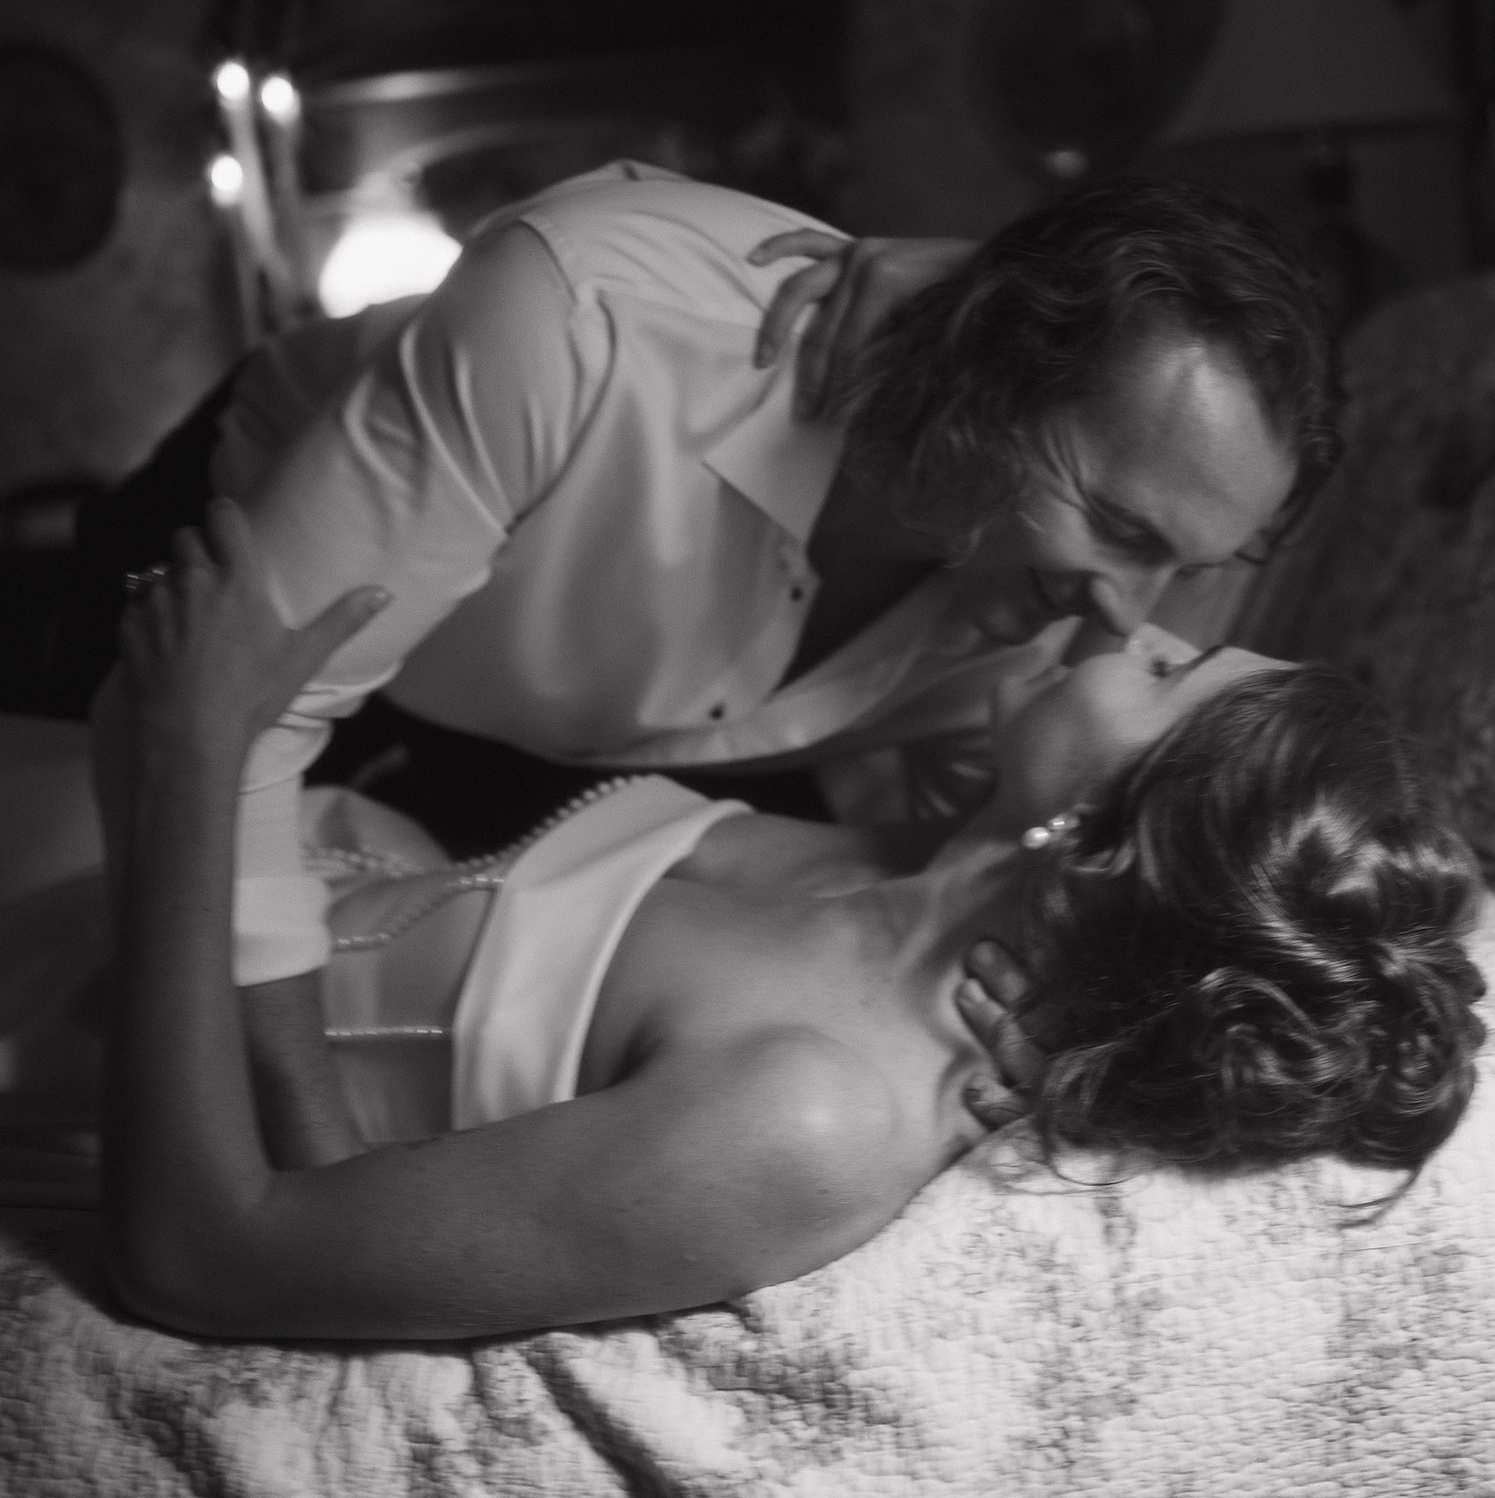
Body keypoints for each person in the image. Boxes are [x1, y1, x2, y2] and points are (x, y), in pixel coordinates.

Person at [76, 501, 1480, 1341]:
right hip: (241, 876)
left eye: (1172, 667)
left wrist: (198, 749)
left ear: (1107, 846)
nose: (1133, 623)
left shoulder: (812, 1115)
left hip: (111, 1007)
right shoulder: (913, 875)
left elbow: (203, 1251)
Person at [63, 163, 1336, 1011]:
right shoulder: (588, 316)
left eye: (1187, 564)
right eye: (1115, 524)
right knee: (70, 882)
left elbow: (984, 883)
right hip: (230, 564)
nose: (1126, 615)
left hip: (598, 730)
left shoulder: (1057, 610)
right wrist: (290, 1123)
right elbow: (235, 726)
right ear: (990, 361)